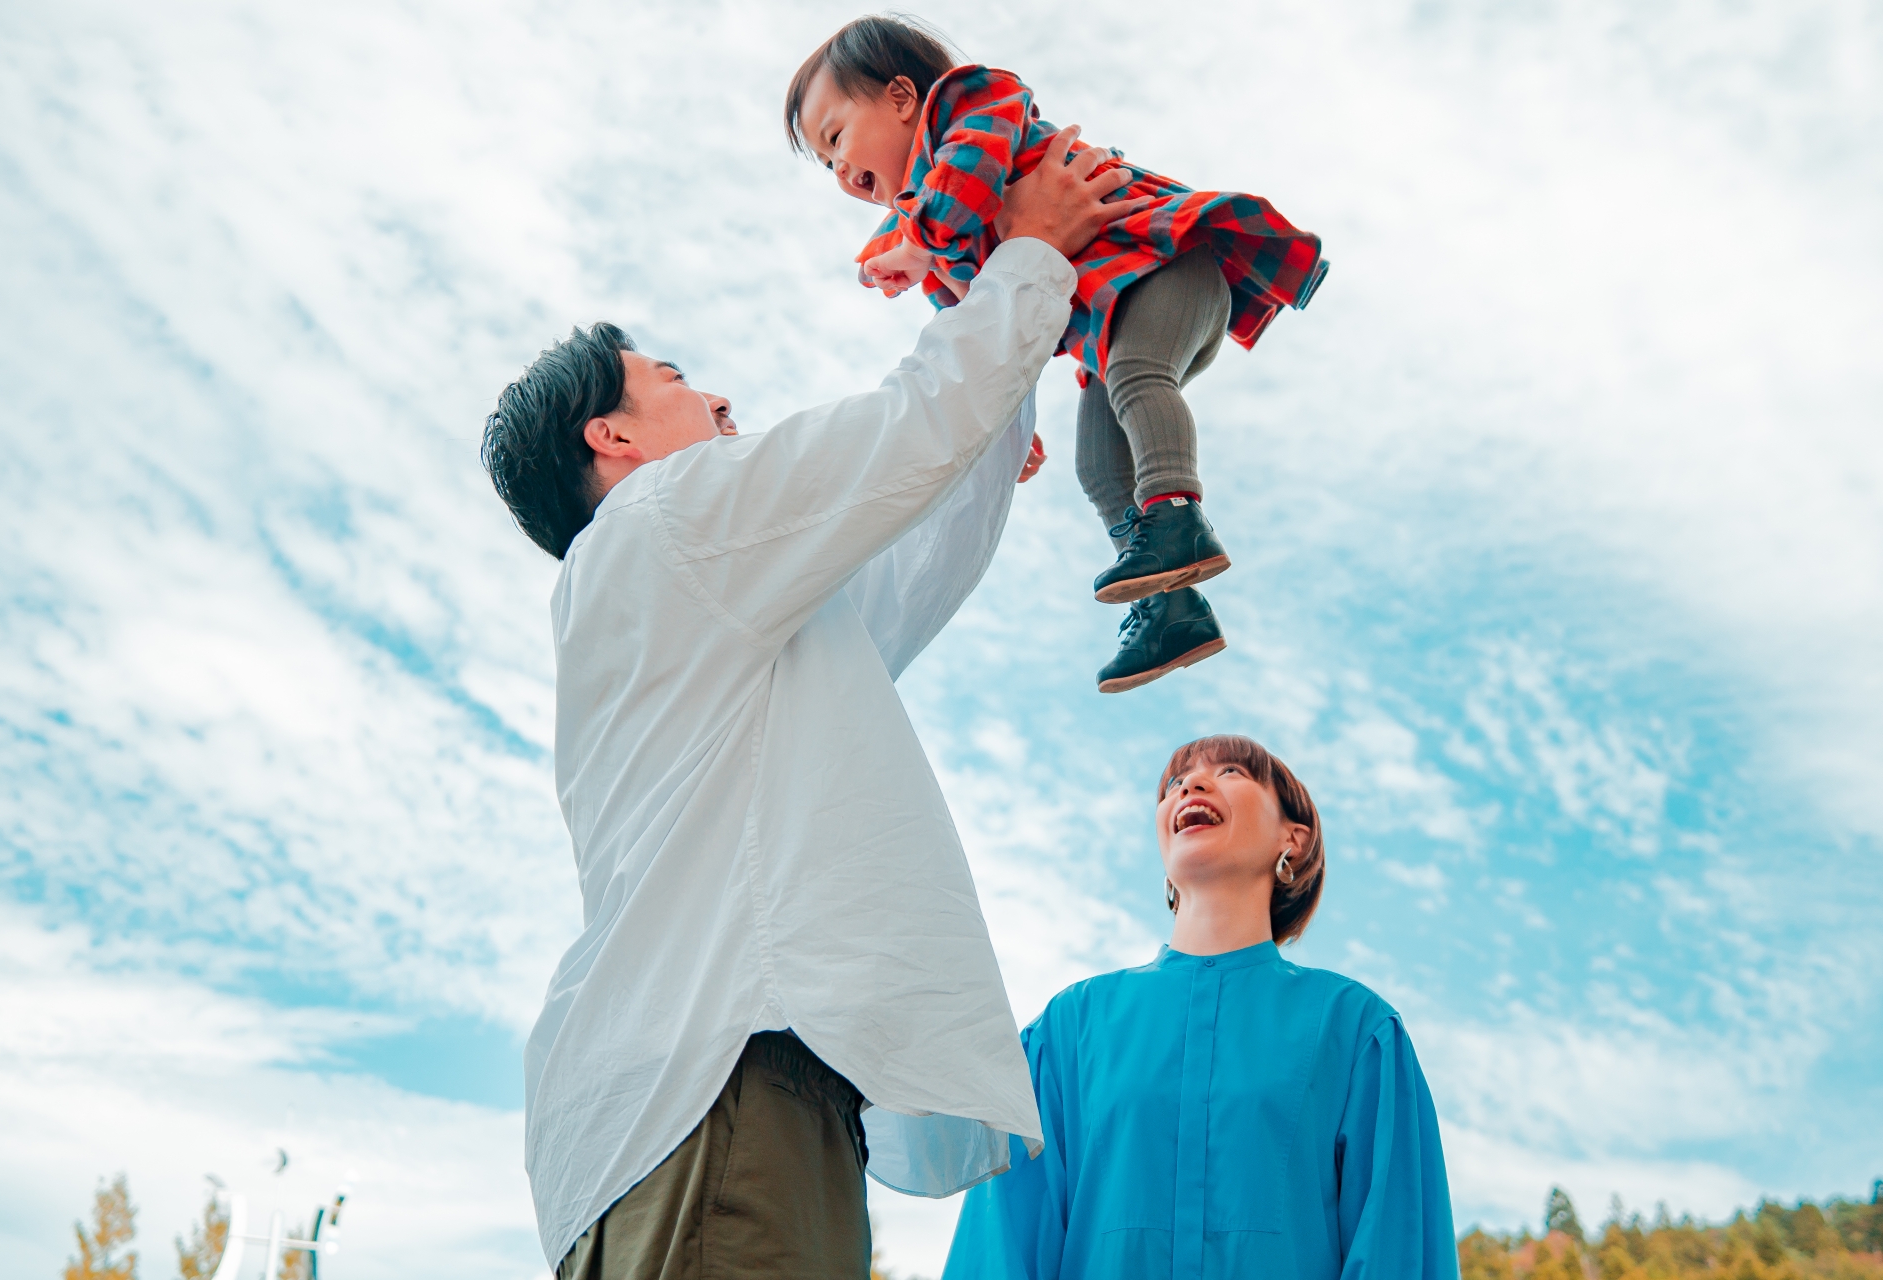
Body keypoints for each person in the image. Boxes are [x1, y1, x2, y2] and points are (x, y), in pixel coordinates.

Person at [479, 131, 1143, 1279]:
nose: (720, 393)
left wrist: (995, 386)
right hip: (722, 1086)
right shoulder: (664, 524)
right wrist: (1029, 251)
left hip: (735, 1088)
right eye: (677, 379)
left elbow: (906, 558)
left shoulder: (699, 594)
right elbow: (898, 437)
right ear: (616, 437)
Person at [784, 16, 1329, 695]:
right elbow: (988, 326)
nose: (839, 170)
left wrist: (920, 246)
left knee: (1136, 375)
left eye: (836, 137)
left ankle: (1179, 516)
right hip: (1114, 325)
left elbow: (968, 187)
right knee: (1098, 467)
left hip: (1167, 268)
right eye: (826, 162)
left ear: (900, 98)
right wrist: (1002, 420)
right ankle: (1173, 610)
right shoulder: (927, 231)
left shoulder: (970, 104)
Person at [942, 734, 1460, 1280]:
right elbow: (998, 1252)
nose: (1190, 783)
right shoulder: (1067, 1031)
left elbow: (1398, 1251)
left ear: (1295, 838)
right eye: (1173, 783)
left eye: (1233, 771)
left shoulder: (1356, 1031)